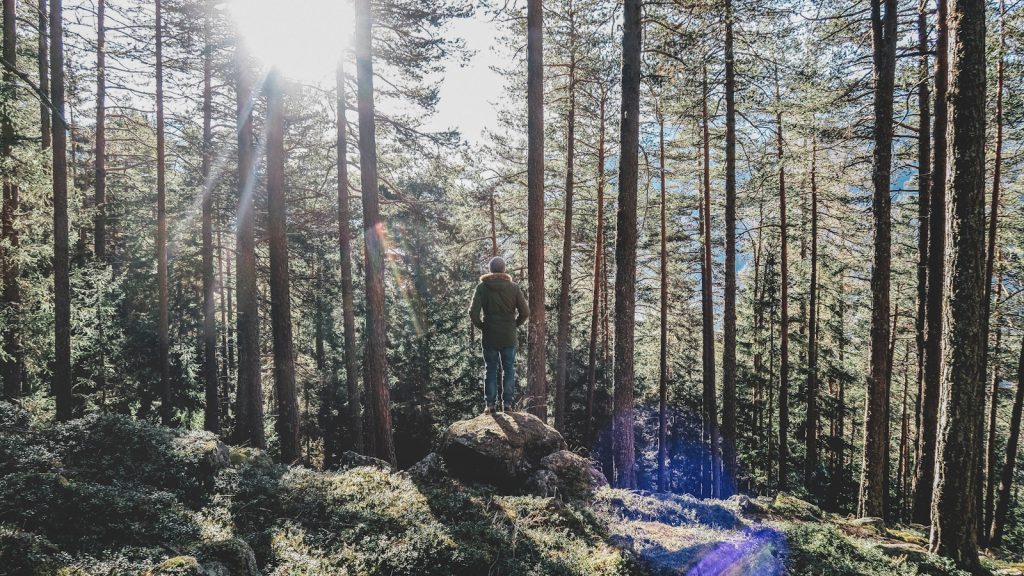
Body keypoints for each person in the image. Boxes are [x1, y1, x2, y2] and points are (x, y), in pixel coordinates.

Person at [468, 256, 529, 414]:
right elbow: (525, 312)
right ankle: (507, 404)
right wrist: (514, 324)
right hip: (508, 335)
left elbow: (473, 312)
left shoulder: (482, 287)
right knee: (509, 369)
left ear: (490, 269)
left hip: (490, 335)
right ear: (503, 269)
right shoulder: (513, 287)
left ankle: (490, 405)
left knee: (490, 369)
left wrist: (482, 326)